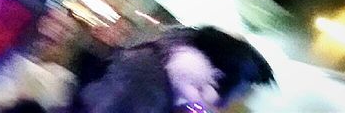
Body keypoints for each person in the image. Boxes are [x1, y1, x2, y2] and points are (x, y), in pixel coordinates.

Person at [68, 26, 274, 113]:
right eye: (242, 90)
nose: (237, 99)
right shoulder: (149, 81)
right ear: (222, 75)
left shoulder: (168, 83)